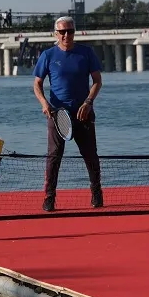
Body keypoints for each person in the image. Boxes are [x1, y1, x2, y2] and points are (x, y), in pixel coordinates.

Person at [33, 16, 104, 212]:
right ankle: (49, 198)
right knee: (54, 157)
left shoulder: (86, 53)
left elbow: (97, 81)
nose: (66, 35)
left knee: (90, 156)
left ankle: (97, 194)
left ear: (75, 32)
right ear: (56, 34)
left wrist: (88, 102)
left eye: (70, 31)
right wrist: (44, 103)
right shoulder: (48, 55)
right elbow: (37, 84)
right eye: (62, 32)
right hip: (57, 115)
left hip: (84, 114)